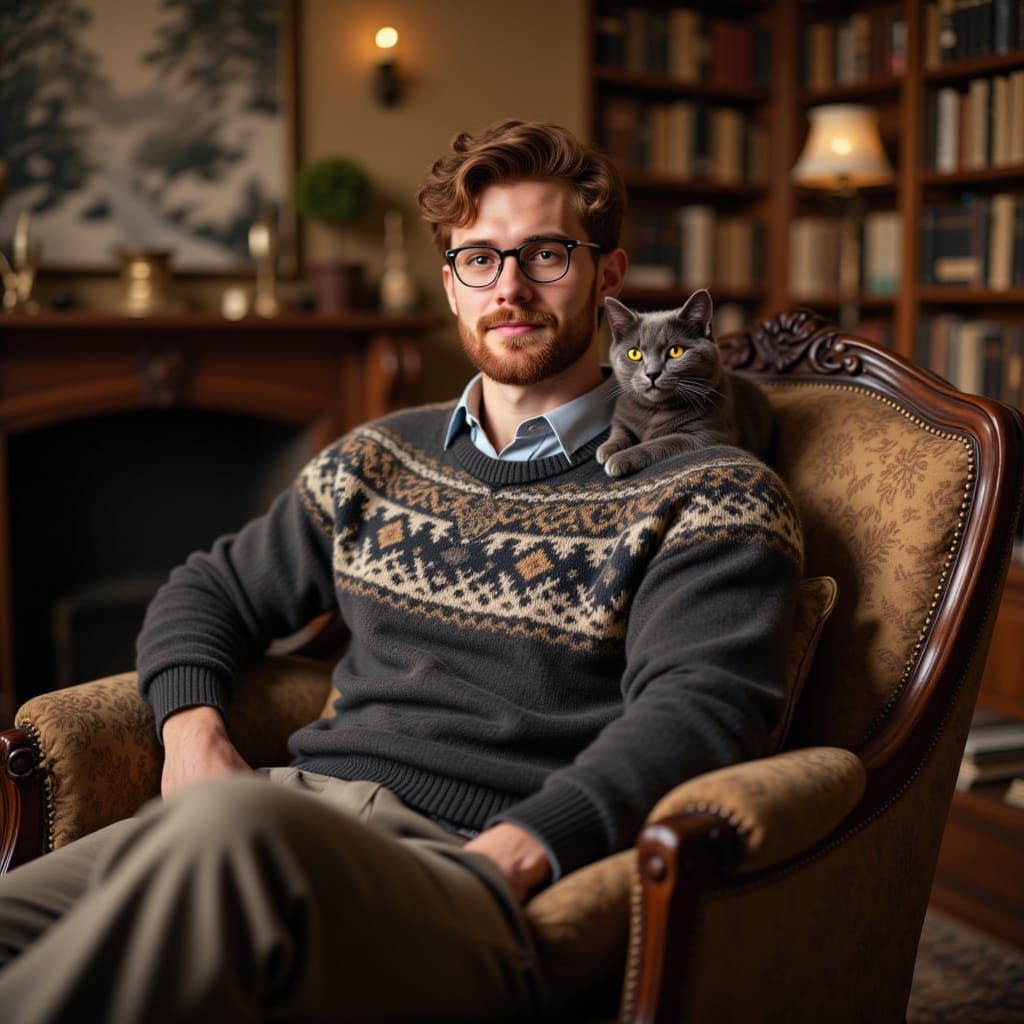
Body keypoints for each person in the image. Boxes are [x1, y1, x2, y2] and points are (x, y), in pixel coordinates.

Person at [0, 119, 803, 1023]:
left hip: (460, 875)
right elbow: (209, 589)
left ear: (608, 276)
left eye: (546, 254)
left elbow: (701, 713)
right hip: (268, 820)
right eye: (479, 259)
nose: (510, 288)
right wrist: (195, 739)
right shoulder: (379, 456)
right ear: (450, 280)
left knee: (231, 837)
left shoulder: (710, 491)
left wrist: (525, 848)